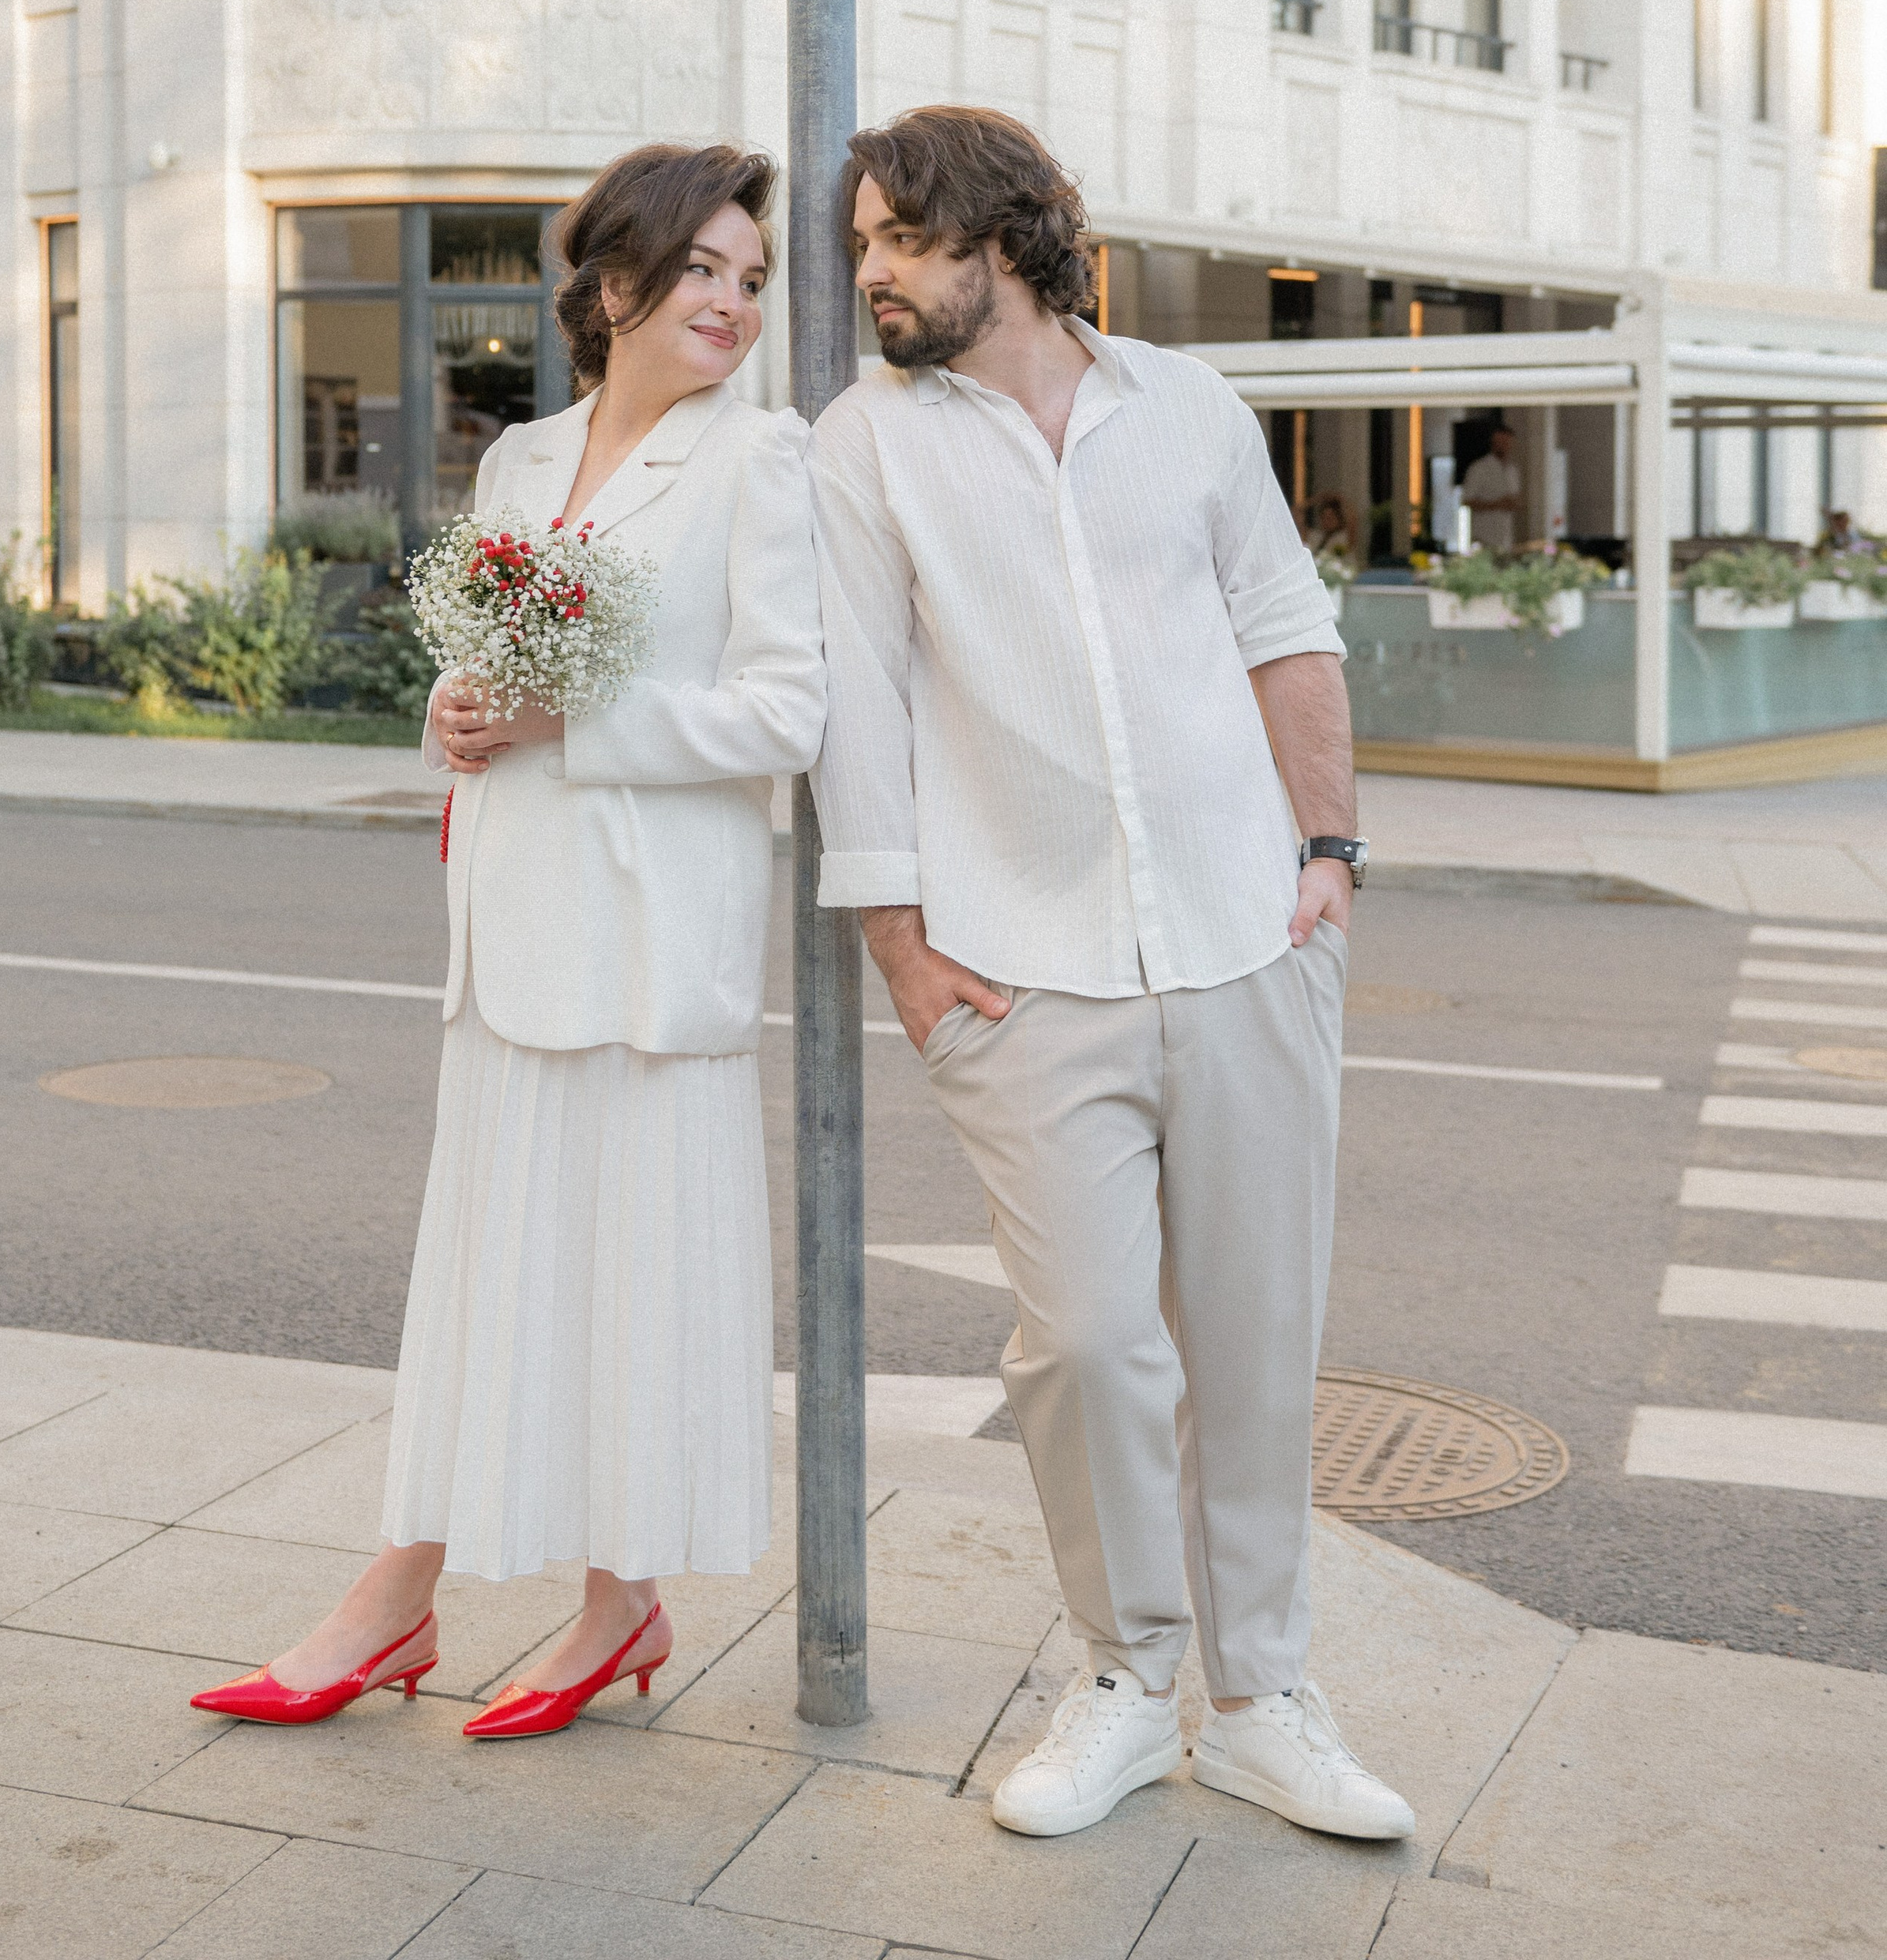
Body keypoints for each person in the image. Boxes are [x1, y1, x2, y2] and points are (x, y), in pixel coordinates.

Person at [808, 106, 1411, 1846]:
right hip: (1018, 969)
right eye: (858, 243)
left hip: (1245, 938)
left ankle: (1263, 1700)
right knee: (1081, 1345)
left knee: (1253, 1343)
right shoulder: (865, 444)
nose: (869, 272)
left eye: (898, 240)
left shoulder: (1192, 408)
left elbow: (1284, 631)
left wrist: (1329, 859)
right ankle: (1128, 1684)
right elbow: (863, 709)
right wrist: (904, 960)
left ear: (1002, 239)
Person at [192, 143, 825, 1740]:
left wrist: (575, 715)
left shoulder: (764, 464)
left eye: (753, 281)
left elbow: (786, 713)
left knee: (621, 1284)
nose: (735, 306)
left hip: (648, 950)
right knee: (491, 1281)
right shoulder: (522, 464)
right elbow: (486, 686)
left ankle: (564, 1606)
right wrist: (457, 711)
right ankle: (428, 1602)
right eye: (705, 273)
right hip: (507, 936)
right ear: (612, 286)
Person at [1458, 422, 1524, 550]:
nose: (1503, 446)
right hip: (1484, 537)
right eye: (1499, 442)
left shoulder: (1512, 470)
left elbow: (1515, 498)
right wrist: (1496, 505)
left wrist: (1514, 504)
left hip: (1506, 537)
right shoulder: (1479, 468)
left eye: (1506, 442)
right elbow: (1467, 501)